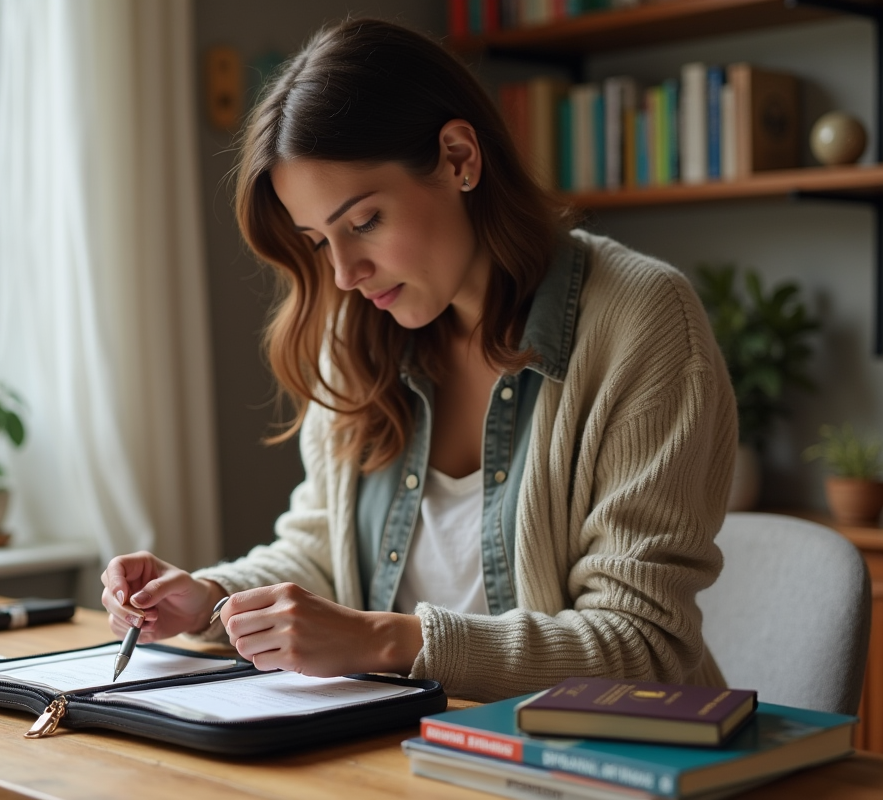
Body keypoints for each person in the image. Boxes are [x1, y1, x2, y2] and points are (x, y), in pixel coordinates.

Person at [100, 17, 736, 702]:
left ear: (460, 157)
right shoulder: (355, 333)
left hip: (595, 758)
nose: (344, 273)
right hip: (406, 752)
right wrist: (211, 596)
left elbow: (644, 646)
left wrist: (387, 641)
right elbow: (324, 552)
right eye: (318, 241)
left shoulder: (641, 319)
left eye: (365, 222)